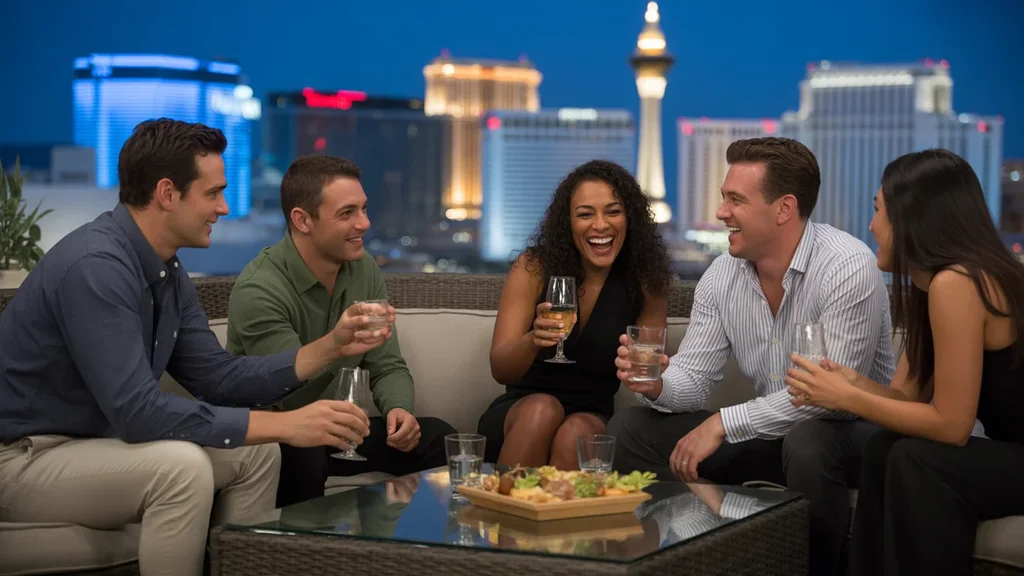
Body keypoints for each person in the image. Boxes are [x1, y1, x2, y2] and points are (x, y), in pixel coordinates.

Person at [0, 119, 384, 576]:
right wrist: (287, 423)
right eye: (213, 193)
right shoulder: (96, 267)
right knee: (181, 467)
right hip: (27, 459)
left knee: (260, 452)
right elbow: (137, 411)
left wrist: (330, 346)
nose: (223, 207)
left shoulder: (166, 269)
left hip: (96, 447)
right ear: (167, 193)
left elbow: (216, 377)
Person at [607, 136, 897, 576]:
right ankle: (677, 560)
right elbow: (694, 379)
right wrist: (659, 384)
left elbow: (829, 399)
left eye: (735, 200)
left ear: (783, 208)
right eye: (724, 198)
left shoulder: (847, 267)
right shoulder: (722, 275)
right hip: (773, 436)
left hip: (854, 434)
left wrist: (724, 423)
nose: (722, 212)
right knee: (631, 429)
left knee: (810, 441)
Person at [784, 149, 1024, 576]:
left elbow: (951, 426)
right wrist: (852, 382)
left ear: (911, 216)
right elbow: (904, 398)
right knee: (884, 448)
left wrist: (849, 400)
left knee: (917, 460)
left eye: (878, 210)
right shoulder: (936, 285)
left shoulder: (960, 282)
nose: (872, 225)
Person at [226, 154, 457, 507]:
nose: (364, 223)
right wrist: (337, 345)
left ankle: (417, 555)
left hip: (338, 431)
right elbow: (289, 395)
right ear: (302, 221)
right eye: (347, 213)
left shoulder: (363, 268)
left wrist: (400, 410)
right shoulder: (260, 289)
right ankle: (308, 558)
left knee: (439, 437)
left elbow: (387, 364)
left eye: (364, 209)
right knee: (304, 453)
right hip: (280, 432)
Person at [479, 159, 672, 469]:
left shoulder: (647, 281)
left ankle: (563, 517)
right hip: (520, 412)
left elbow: (647, 366)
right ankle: (501, 514)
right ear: (567, 222)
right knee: (543, 409)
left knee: (576, 433)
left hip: (591, 415)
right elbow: (500, 369)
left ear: (630, 218)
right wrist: (533, 340)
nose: (600, 225)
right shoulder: (534, 267)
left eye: (613, 211)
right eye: (585, 214)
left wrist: (651, 369)